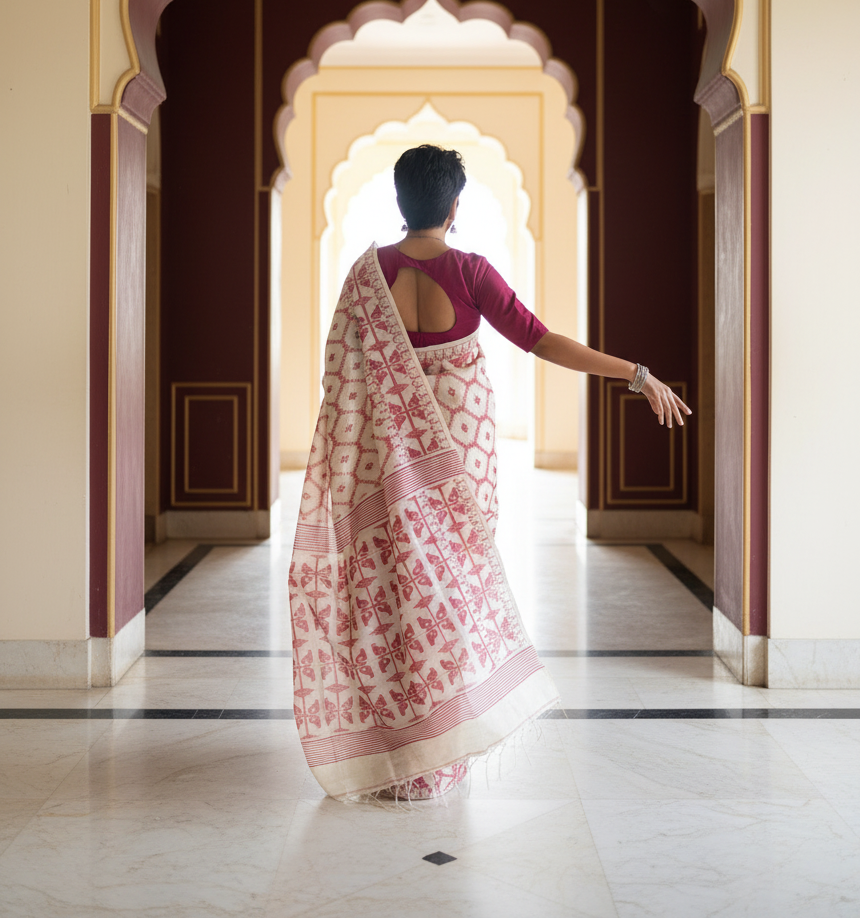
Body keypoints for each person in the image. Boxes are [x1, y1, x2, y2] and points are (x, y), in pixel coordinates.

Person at [290, 145, 690, 802]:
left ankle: (397, 746)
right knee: (449, 595)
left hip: (387, 463)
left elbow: (345, 387)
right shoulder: (470, 272)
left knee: (396, 593)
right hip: (460, 463)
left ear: (400, 202)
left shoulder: (366, 280)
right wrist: (637, 374)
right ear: (454, 206)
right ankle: (443, 747)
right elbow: (543, 339)